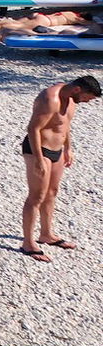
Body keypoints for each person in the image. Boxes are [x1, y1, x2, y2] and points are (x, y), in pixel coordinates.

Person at [18, 75, 101, 261]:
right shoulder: (50, 98)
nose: (88, 102)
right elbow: (33, 129)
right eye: (89, 97)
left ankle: (46, 234)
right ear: (78, 89)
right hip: (38, 150)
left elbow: (65, 125)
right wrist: (39, 159)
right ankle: (28, 243)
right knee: (36, 196)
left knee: (52, 192)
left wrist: (68, 148)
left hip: (57, 150)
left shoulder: (72, 100)